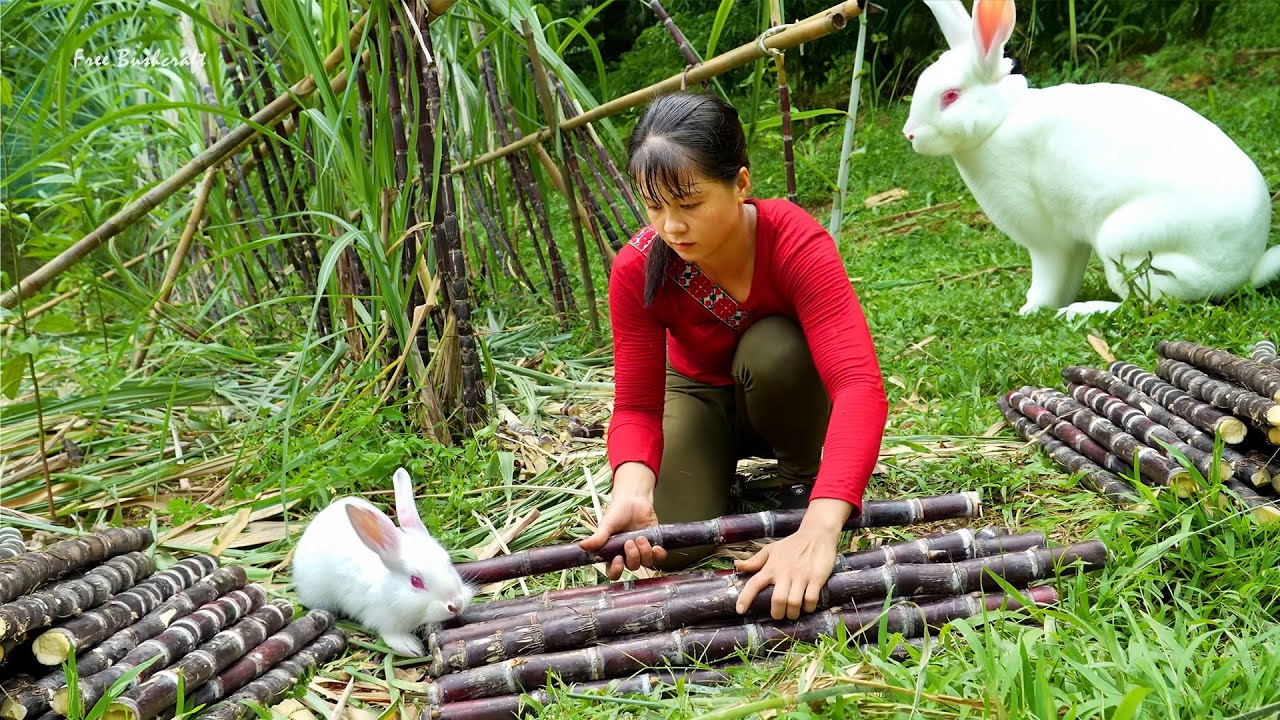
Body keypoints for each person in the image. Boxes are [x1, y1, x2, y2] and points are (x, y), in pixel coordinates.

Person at [578, 92, 888, 622]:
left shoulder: (792, 239)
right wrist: (631, 484)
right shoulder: (636, 269)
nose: (671, 227)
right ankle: (718, 472)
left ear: (741, 184)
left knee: (775, 348)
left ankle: (800, 477)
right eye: (655, 207)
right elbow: (635, 408)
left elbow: (859, 385)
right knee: (669, 542)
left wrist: (820, 528)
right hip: (698, 395)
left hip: (780, 390)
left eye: (690, 203)